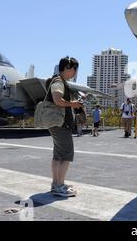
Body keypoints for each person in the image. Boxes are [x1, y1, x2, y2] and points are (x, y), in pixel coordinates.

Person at [46, 56, 83, 197]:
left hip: (57, 123)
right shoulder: (58, 81)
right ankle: (59, 186)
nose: (75, 73)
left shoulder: (58, 81)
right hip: (61, 124)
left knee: (58, 156)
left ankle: (56, 184)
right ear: (67, 68)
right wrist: (73, 104)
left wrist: (73, 102)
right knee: (66, 155)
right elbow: (57, 99)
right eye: (74, 69)